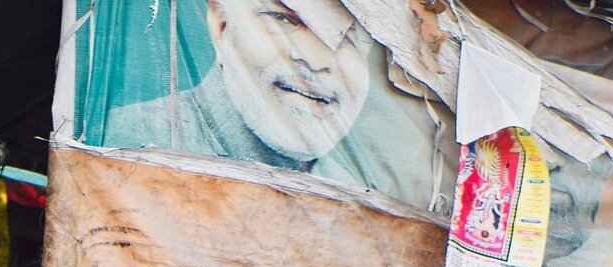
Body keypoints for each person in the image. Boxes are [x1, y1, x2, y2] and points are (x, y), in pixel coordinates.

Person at [99, 0, 440, 207]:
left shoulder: (369, 188)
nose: (318, 59)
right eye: (283, 20)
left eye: (350, 37)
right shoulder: (128, 145)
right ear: (220, 23)